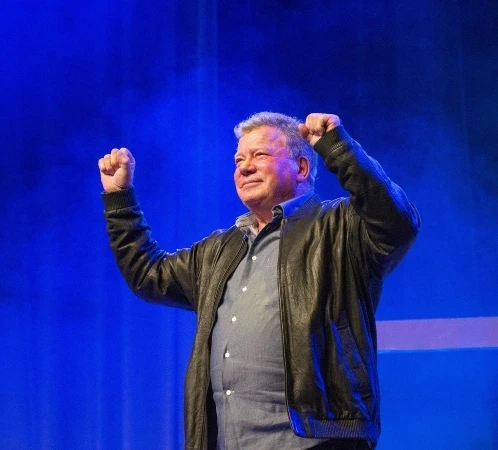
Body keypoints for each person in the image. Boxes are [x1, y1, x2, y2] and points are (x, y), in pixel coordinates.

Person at [97, 112, 420, 449]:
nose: (244, 167)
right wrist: (120, 200)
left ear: (301, 168)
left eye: (260, 155)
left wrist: (337, 147)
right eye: (239, 159)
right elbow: (149, 274)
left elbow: (396, 221)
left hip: (317, 441)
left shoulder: (337, 228)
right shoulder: (218, 250)